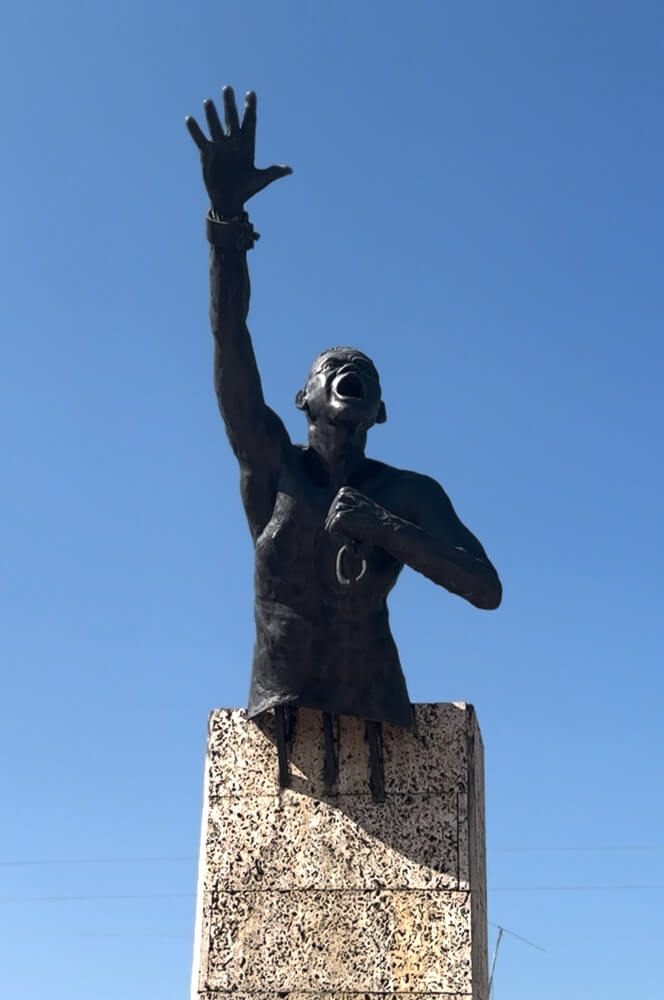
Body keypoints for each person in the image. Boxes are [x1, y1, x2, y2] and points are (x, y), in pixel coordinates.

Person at [186, 87, 501, 791]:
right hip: (281, 710)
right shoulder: (270, 463)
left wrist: (385, 528)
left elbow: (485, 588)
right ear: (304, 399)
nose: (345, 369)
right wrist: (226, 225)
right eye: (329, 367)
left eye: (361, 373)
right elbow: (228, 340)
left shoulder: (407, 493)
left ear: (378, 411)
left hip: (375, 706)